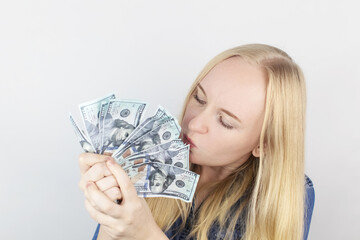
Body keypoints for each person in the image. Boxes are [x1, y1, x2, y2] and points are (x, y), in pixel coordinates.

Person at [78, 43, 315, 240]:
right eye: (199, 98)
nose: (194, 123)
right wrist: (110, 217)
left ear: (264, 145)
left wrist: (146, 234)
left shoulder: (288, 195)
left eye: (225, 121)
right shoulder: (146, 157)